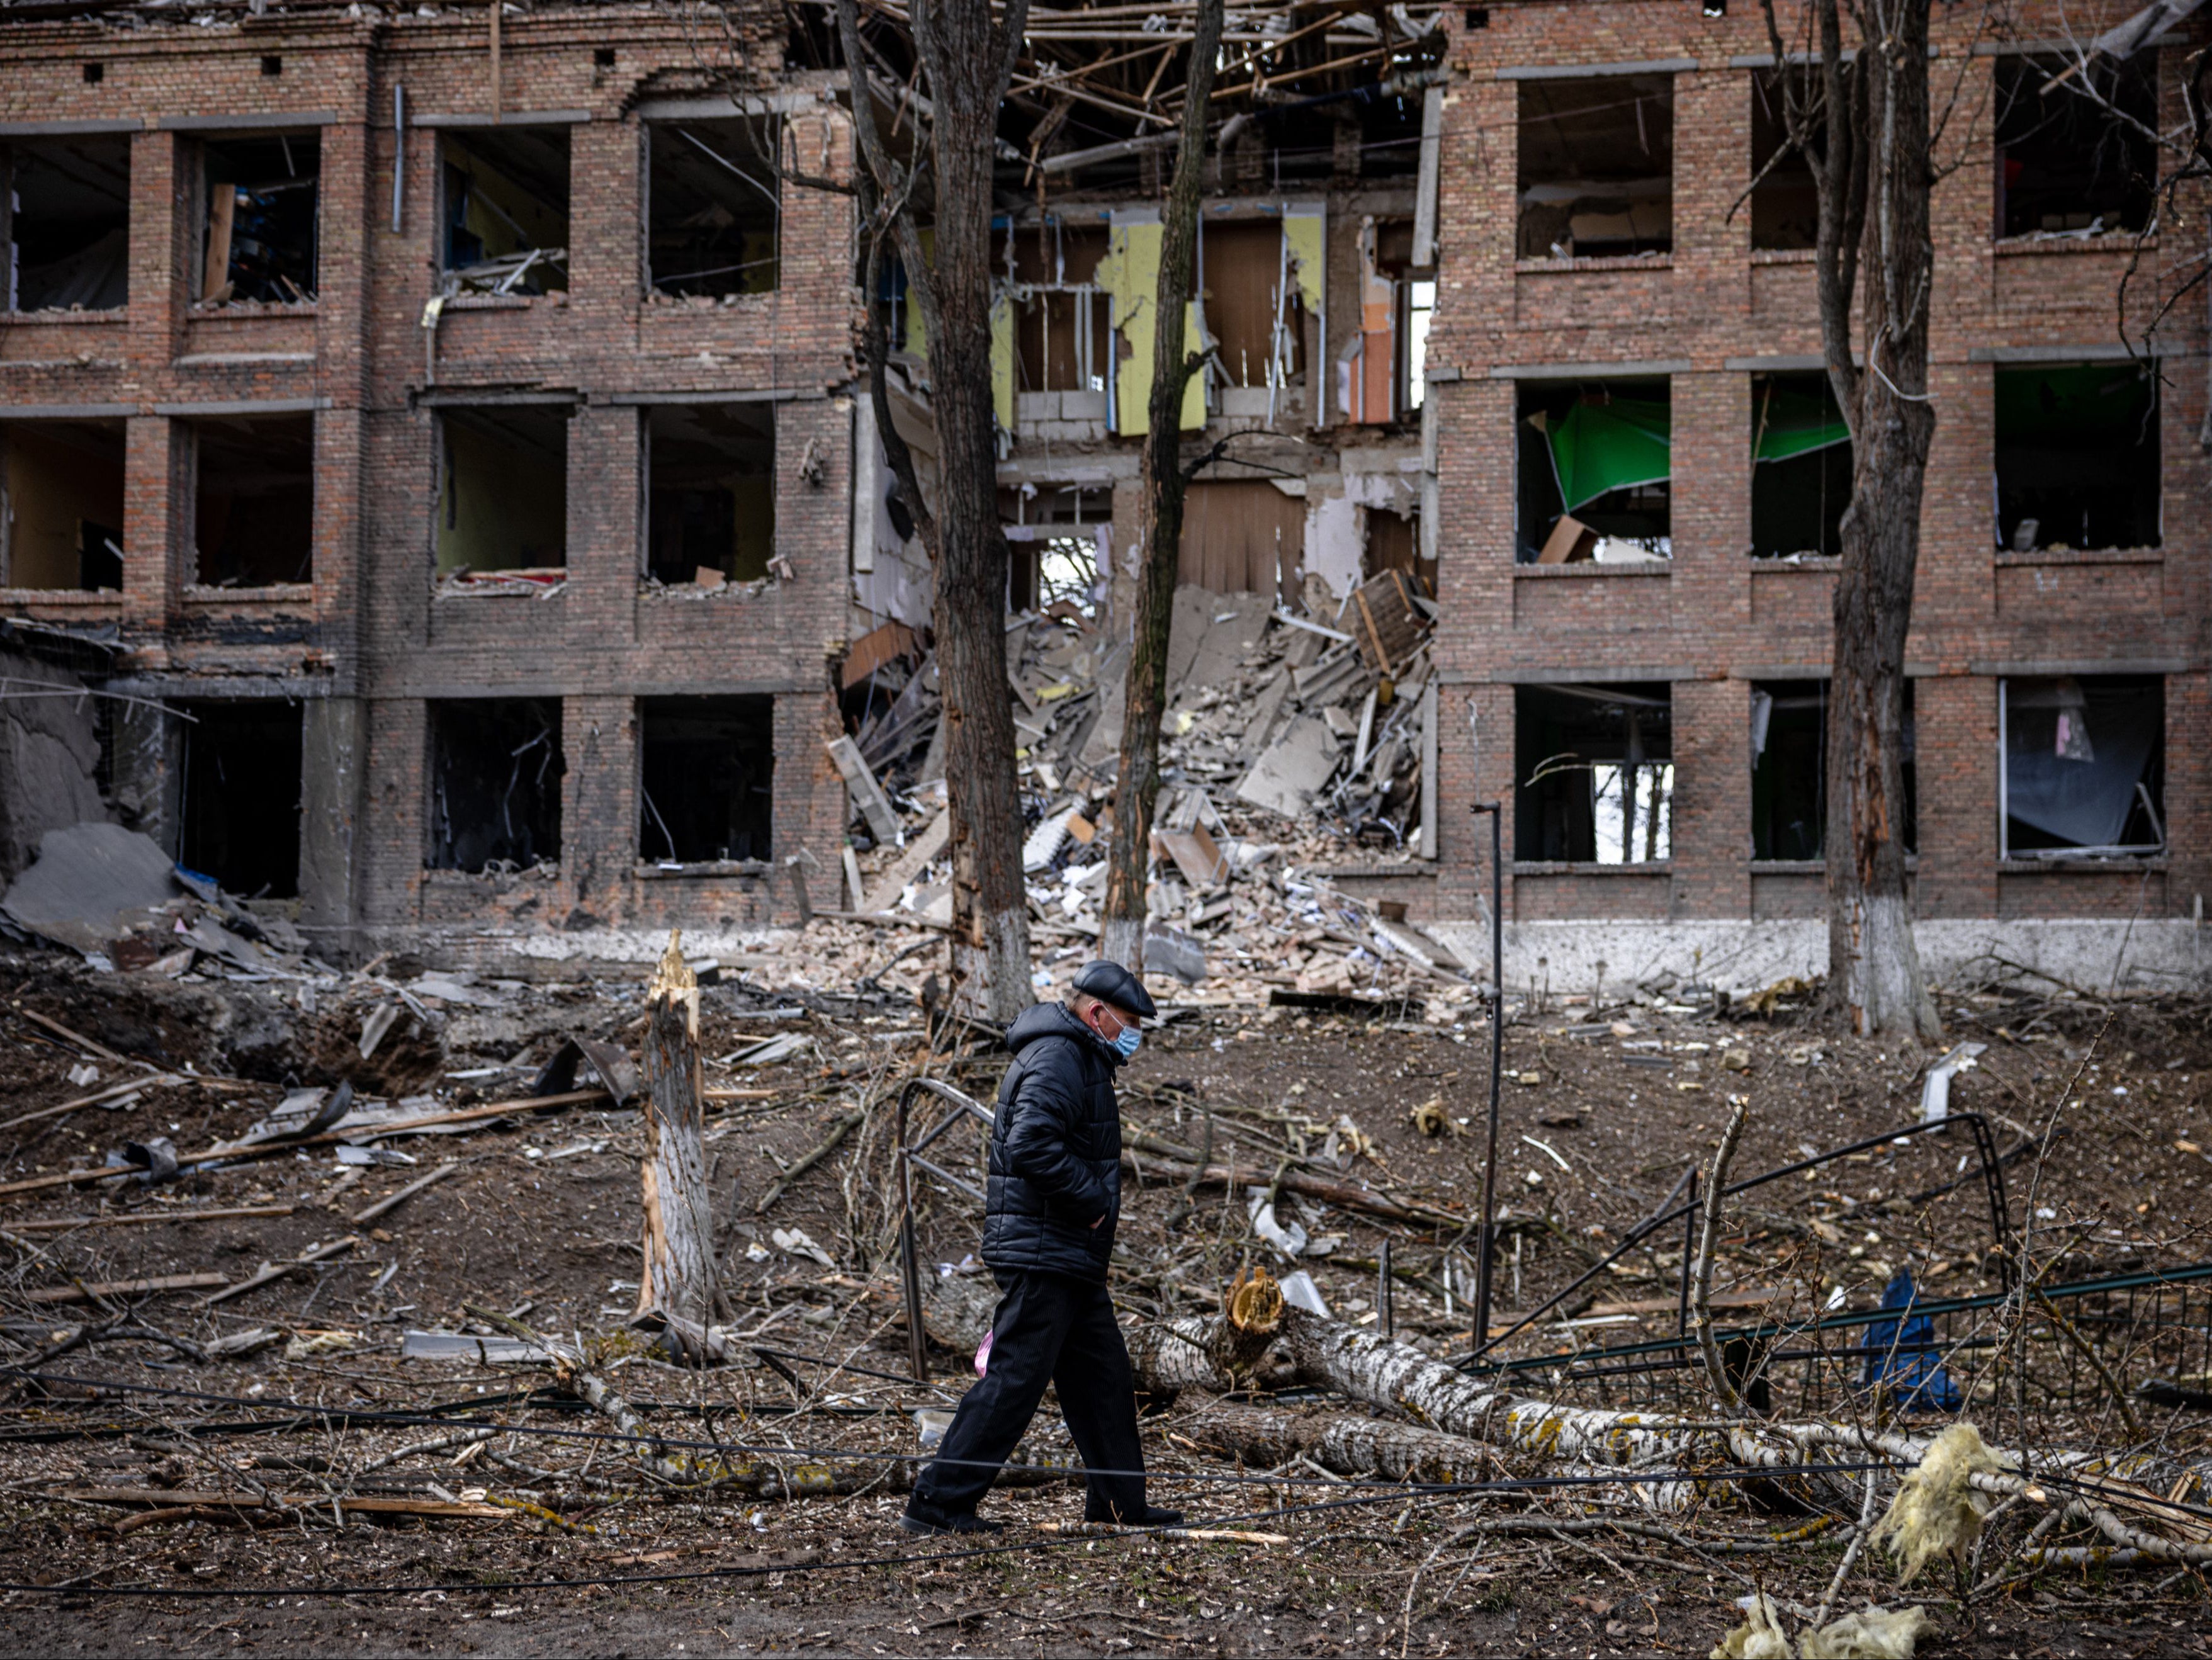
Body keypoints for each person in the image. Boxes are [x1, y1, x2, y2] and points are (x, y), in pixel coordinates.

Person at [901, 960, 1185, 1536]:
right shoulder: (1059, 1057)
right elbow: (1030, 1142)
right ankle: (936, 1502)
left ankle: (1118, 1505)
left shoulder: (1081, 1057)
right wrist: (1092, 1201)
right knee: (1014, 1377)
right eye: (1129, 1022)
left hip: (1068, 1253)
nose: (1134, 1035)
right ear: (1097, 1014)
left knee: (1104, 1379)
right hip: (1045, 1247)